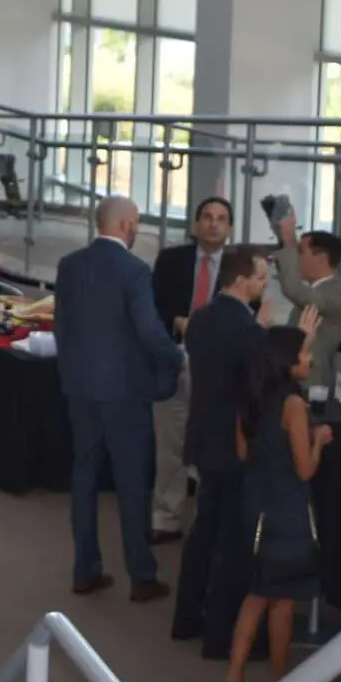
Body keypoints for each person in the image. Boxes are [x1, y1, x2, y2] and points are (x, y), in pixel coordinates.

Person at [176, 248, 317, 659]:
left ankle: (186, 616)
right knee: (233, 541)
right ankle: (220, 636)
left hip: (202, 437)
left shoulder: (200, 318)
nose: (263, 284)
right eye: (259, 278)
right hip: (234, 445)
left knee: (203, 529)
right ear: (241, 281)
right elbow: (262, 384)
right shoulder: (250, 333)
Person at [54, 196, 185, 601]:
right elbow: (148, 330)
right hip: (124, 391)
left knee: (85, 475)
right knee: (132, 483)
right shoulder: (134, 271)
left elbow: (62, 326)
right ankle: (141, 575)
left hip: (79, 386)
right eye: (137, 222)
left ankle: (85, 569)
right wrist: (175, 357)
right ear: (127, 224)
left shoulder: (69, 265)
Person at [222, 326, 333, 682]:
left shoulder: (249, 397)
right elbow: (304, 470)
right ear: (287, 359)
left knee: (256, 594)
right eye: (305, 353)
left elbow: (242, 454)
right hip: (287, 511)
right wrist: (318, 442)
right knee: (283, 603)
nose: (310, 359)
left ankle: (233, 675)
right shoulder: (294, 405)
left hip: (256, 506)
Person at [148, 196, 233, 545]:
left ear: (229, 228)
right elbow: (152, 306)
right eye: (207, 217)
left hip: (215, 367)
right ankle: (164, 518)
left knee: (209, 445)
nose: (213, 224)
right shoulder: (171, 260)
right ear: (197, 224)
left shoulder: (239, 268)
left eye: (221, 219)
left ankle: (206, 525)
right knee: (169, 442)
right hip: (173, 356)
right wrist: (176, 320)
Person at [273, 215, 341, 394]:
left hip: (311, 386)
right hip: (291, 379)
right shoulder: (316, 291)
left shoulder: (337, 294)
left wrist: (289, 242)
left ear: (322, 259)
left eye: (300, 251)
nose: (295, 257)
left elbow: (292, 287)